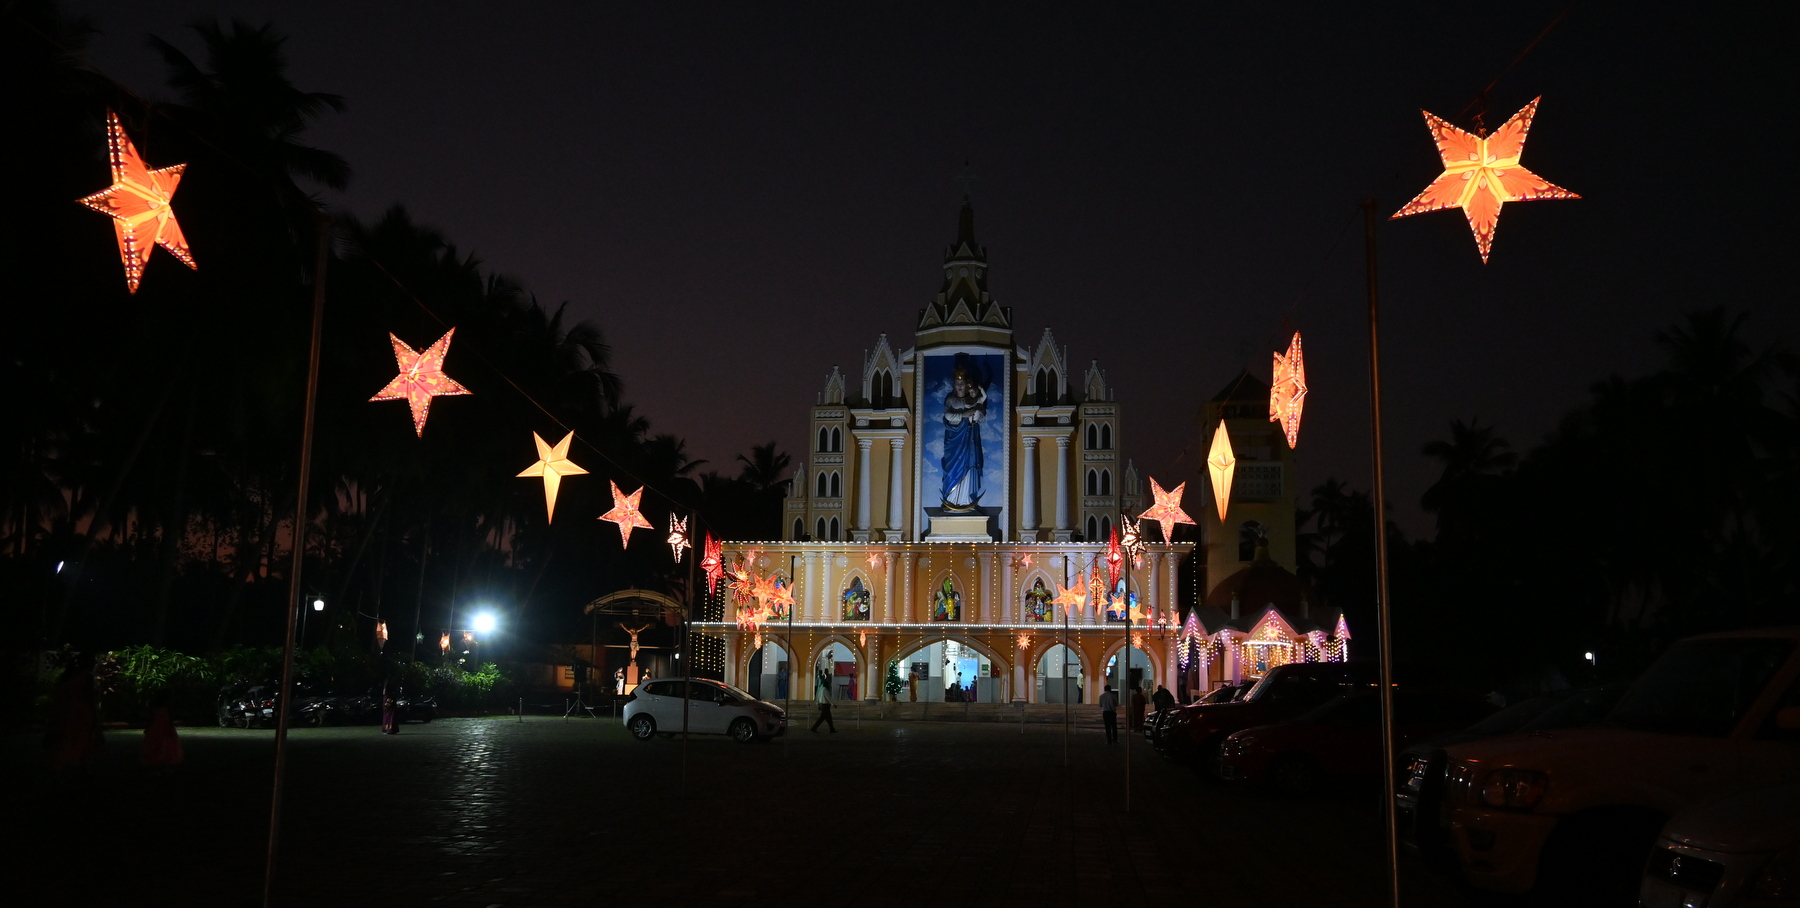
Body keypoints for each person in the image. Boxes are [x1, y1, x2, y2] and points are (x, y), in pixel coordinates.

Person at [45, 654, 102, 773]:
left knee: (70, 738)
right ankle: (78, 764)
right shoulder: (87, 677)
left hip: (70, 712)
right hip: (83, 712)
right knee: (83, 739)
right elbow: (90, 698)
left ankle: (67, 762)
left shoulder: (69, 677)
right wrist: (96, 719)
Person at [140, 688, 183, 772]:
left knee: (158, 746)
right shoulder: (167, 707)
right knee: (164, 746)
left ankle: (158, 767)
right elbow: (169, 719)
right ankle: (163, 766)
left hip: (157, 728)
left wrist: (148, 727)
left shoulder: (157, 707)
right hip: (162, 728)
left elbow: (152, 718)